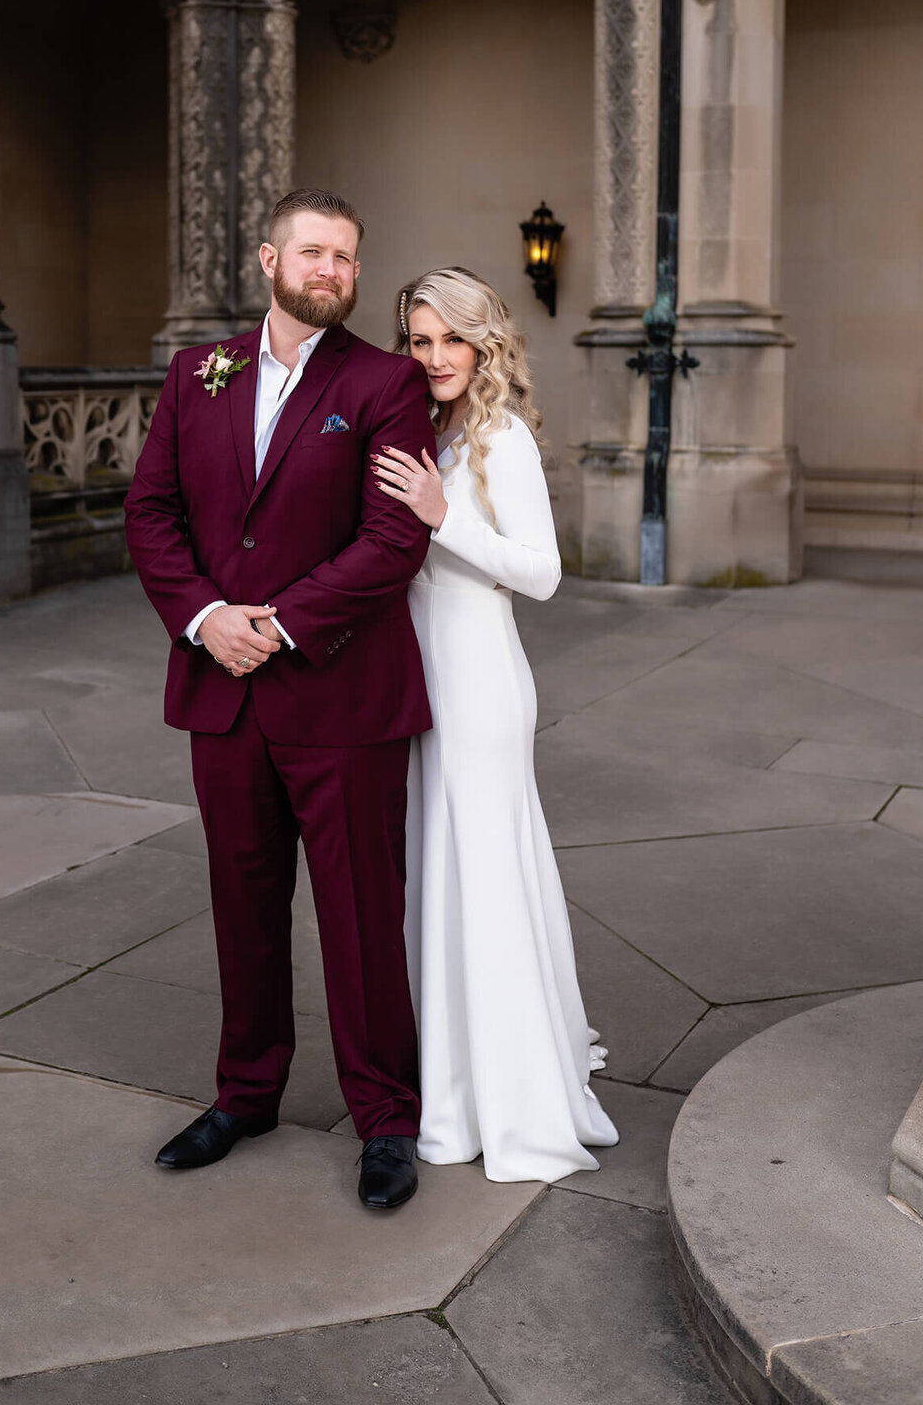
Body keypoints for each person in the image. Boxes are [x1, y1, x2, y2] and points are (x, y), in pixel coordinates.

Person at [124, 189, 436, 1209]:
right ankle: (245, 1093)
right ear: (270, 258)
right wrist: (208, 617)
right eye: (314, 252)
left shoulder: (386, 382)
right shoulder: (194, 372)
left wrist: (280, 621)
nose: (332, 271)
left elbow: (395, 538)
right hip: (223, 692)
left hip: (342, 696)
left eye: (347, 257)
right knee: (243, 907)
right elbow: (152, 511)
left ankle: (386, 1116)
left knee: (359, 918)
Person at [371, 266, 619, 1184]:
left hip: (479, 688)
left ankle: (509, 1103)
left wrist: (438, 517)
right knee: (446, 873)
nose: (435, 357)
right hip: (424, 683)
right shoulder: (425, 430)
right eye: (419, 339)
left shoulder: (499, 434)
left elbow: (542, 573)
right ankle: (454, 1081)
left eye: (451, 340)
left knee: (483, 877)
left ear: (485, 344)